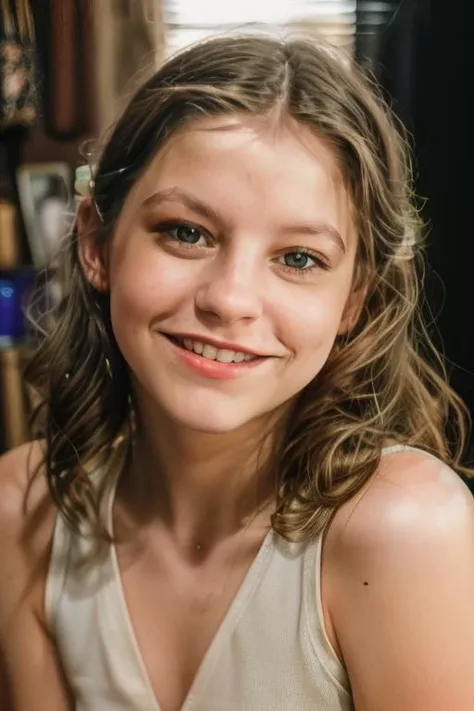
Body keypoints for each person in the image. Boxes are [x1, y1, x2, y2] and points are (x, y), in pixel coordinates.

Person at [0, 34, 473, 711]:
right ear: (97, 244)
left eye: (300, 258)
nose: (229, 299)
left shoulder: (401, 528)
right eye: (187, 232)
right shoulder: (21, 509)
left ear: (356, 299)